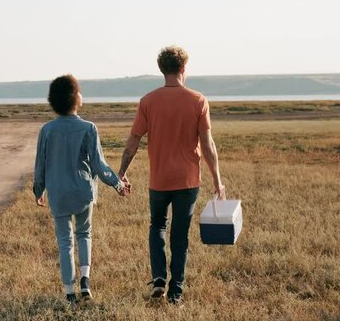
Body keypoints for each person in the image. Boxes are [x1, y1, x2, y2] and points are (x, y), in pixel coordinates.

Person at [118, 46, 225, 305]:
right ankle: (176, 292)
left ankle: (158, 280)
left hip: (159, 180)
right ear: (183, 69)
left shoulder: (148, 101)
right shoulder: (198, 100)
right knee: (180, 235)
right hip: (188, 181)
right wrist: (218, 181)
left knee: (157, 226)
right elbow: (208, 145)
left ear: (162, 69)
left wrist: (121, 173)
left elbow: (133, 141)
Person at [33, 74, 130, 304]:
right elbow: (99, 164)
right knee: (84, 233)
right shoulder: (88, 128)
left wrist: (39, 190)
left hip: (58, 193)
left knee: (65, 241)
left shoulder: (47, 130)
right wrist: (117, 184)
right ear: (75, 97)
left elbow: (40, 165)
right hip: (83, 191)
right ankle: (85, 280)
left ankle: (69, 291)